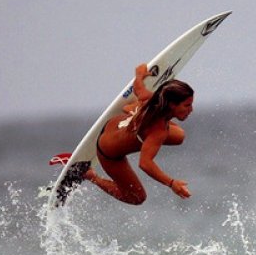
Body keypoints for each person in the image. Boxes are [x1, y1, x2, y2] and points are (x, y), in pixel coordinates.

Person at [83, 64, 194, 205]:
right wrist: (172, 183)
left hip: (114, 124)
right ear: (172, 105)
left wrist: (139, 75)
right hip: (108, 152)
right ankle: (90, 175)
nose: (191, 109)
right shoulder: (158, 131)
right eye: (187, 105)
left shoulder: (153, 99)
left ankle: (133, 110)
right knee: (137, 198)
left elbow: (138, 88)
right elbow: (145, 163)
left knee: (179, 136)